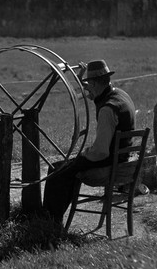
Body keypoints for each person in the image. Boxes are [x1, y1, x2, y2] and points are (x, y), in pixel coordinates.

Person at [42, 60, 136, 226]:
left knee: (57, 170)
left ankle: (49, 223)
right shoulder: (120, 95)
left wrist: (84, 154)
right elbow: (85, 94)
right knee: (66, 168)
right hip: (121, 157)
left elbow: (100, 152)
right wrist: (79, 77)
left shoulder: (108, 109)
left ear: (94, 83)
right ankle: (53, 219)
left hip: (108, 160)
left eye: (88, 85)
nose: (87, 90)